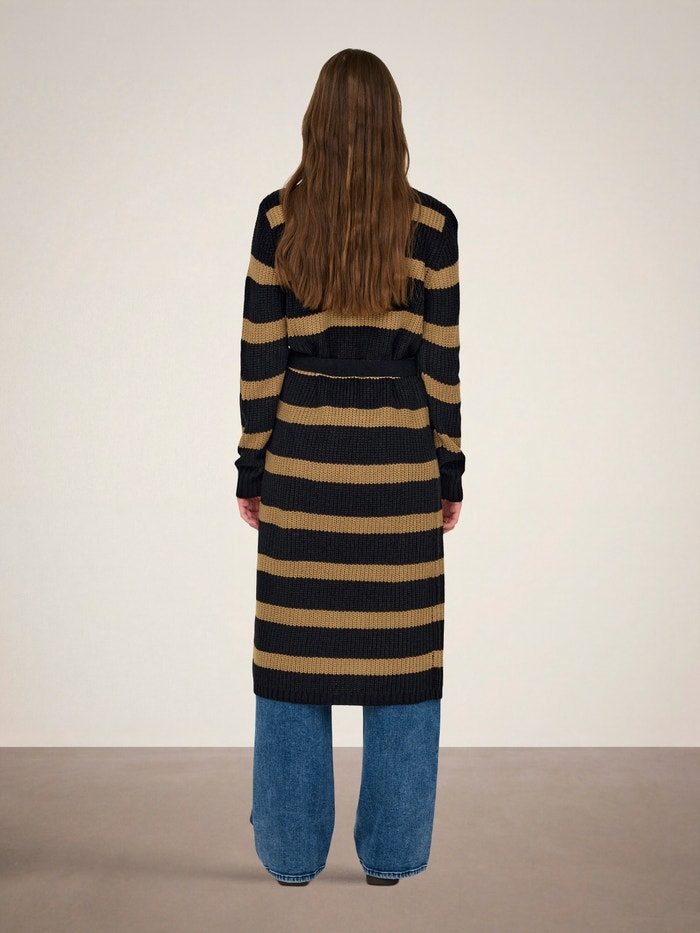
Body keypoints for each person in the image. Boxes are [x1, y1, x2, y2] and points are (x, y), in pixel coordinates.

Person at [235, 48, 465, 887]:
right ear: (393, 123)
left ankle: (292, 856)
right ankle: (391, 856)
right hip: (398, 468)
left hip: (304, 464)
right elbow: (441, 362)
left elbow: (261, 355)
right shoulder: (433, 226)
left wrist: (251, 466)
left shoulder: (278, 219)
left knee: (292, 664)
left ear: (317, 121)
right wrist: (449, 470)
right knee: (403, 666)